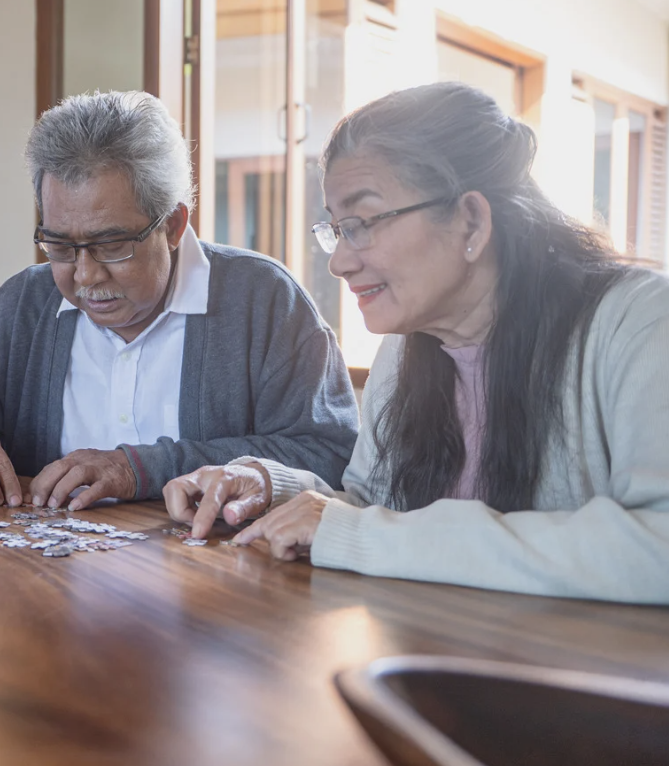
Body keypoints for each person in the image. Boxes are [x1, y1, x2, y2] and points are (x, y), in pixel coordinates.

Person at [165, 82, 669, 604]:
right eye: (336, 229)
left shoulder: (638, 320)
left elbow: (659, 548)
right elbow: (373, 508)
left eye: (361, 223)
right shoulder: (408, 347)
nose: (338, 262)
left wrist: (361, 532)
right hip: (426, 658)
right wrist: (274, 489)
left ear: (471, 219)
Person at [0, 91, 358, 510]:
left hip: (218, 585)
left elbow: (329, 453)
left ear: (174, 225)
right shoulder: (23, 306)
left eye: (112, 245)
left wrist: (140, 469)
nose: (85, 275)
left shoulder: (265, 301)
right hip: (44, 583)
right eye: (59, 246)